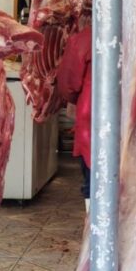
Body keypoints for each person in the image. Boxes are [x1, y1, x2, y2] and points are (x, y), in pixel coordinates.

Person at [55, 25, 92, 210]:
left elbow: (68, 83)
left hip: (92, 118)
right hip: (133, 118)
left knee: (93, 182)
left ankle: (94, 230)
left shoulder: (84, 39)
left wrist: (75, 100)